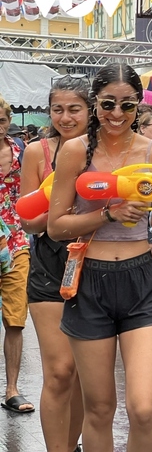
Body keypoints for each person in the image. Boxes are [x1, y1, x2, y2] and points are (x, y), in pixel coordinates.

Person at [47, 64, 152, 452]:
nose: (117, 114)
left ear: (139, 106)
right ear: (95, 104)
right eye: (108, 104)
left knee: (143, 407)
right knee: (100, 408)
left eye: (127, 105)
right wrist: (108, 214)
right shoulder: (74, 151)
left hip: (142, 279)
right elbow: (55, 226)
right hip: (90, 280)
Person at [20, 75, 91, 451]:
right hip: (49, 264)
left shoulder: (104, 151)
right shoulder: (37, 152)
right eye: (58, 109)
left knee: (82, 372)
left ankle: (72, 443)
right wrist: (60, 202)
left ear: (90, 111)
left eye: (74, 109)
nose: (65, 117)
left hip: (94, 265)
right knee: (60, 370)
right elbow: (27, 219)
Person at [0, 97, 34, 415]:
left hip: (15, 241)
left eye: (0, 120)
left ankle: (11, 388)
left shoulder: (22, 151)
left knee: (15, 318)